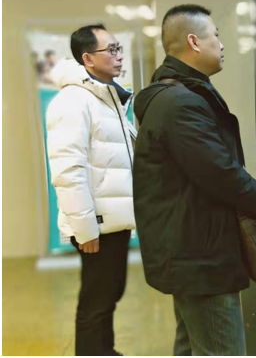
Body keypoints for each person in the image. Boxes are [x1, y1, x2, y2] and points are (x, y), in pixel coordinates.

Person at [132, 4, 256, 356]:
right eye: (216, 35)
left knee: (192, 344)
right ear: (194, 41)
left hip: (193, 246)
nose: (222, 44)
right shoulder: (181, 104)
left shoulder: (178, 95)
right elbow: (221, 173)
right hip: (200, 255)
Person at [46, 24, 136, 356]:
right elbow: (69, 171)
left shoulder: (105, 97)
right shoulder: (73, 101)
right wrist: (85, 229)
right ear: (87, 58)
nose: (119, 55)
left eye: (119, 48)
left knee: (108, 294)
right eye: (110, 49)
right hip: (96, 224)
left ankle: (105, 351)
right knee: (96, 300)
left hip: (112, 220)